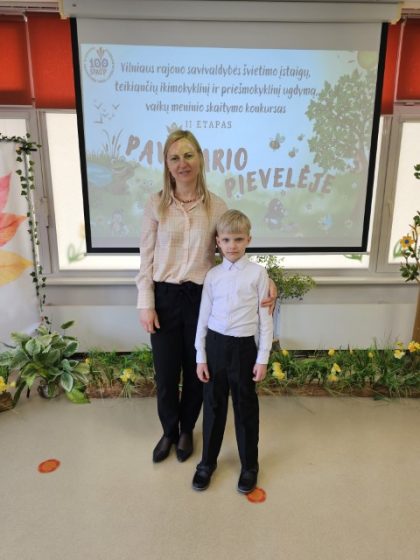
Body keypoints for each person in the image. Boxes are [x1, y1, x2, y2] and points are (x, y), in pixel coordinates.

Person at [136, 130, 276, 465]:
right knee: (165, 373)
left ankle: (187, 429)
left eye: (188, 155)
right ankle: (169, 431)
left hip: (202, 298)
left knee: (198, 369)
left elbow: (233, 253)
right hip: (164, 296)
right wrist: (146, 301)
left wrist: (268, 281)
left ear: (200, 159)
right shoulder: (156, 204)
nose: (182, 163)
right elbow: (146, 257)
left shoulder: (217, 206)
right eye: (174, 158)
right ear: (167, 164)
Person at [192, 209, 273, 493]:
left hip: (243, 348)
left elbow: (265, 319)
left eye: (238, 239)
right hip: (215, 346)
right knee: (213, 406)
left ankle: (249, 465)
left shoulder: (258, 274)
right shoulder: (213, 276)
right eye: (226, 240)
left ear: (248, 240)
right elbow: (203, 316)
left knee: (245, 407)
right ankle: (207, 463)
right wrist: (201, 355)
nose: (232, 245)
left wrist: (262, 358)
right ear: (217, 241)